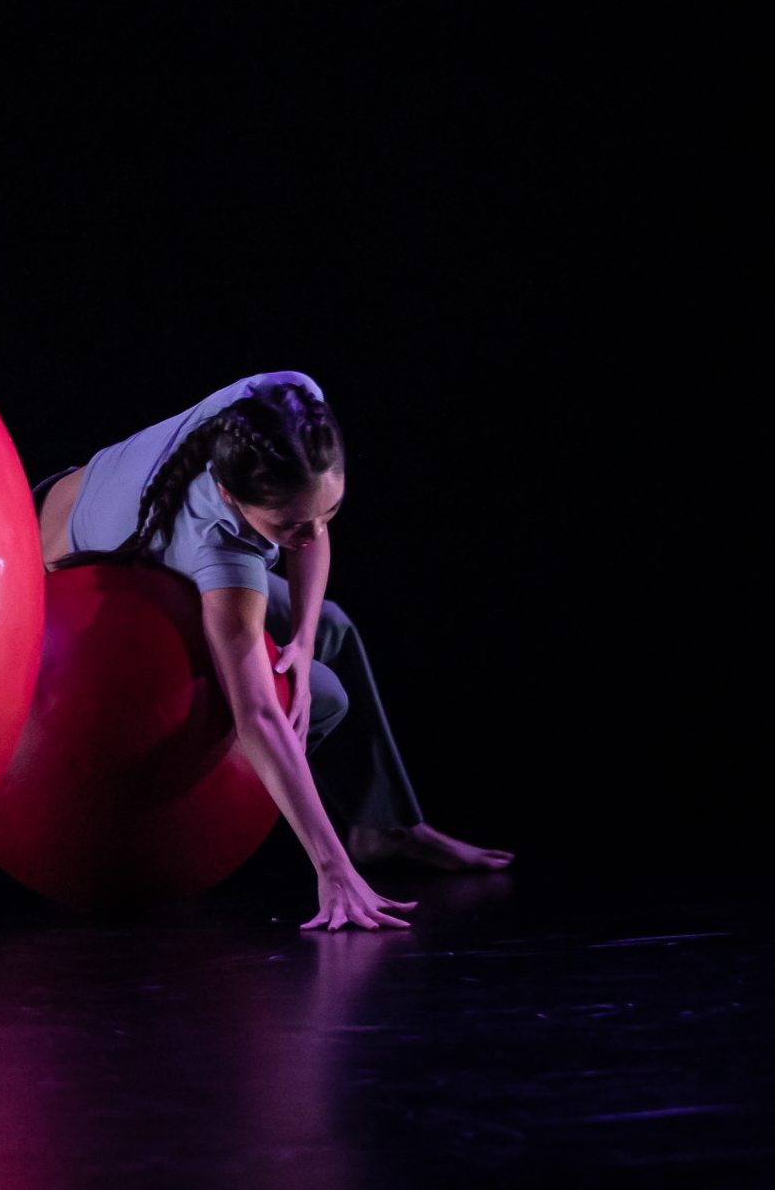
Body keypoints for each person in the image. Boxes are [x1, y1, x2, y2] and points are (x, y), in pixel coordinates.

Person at [35, 373, 513, 931]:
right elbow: (257, 715)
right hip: (57, 562)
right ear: (231, 496)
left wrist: (304, 640)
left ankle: (383, 827)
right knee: (323, 694)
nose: (313, 533)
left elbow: (309, 525)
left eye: (329, 511)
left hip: (102, 510)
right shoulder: (218, 541)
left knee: (332, 626)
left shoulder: (284, 408)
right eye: (288, 525)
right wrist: (332, 870)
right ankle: (337, 848)